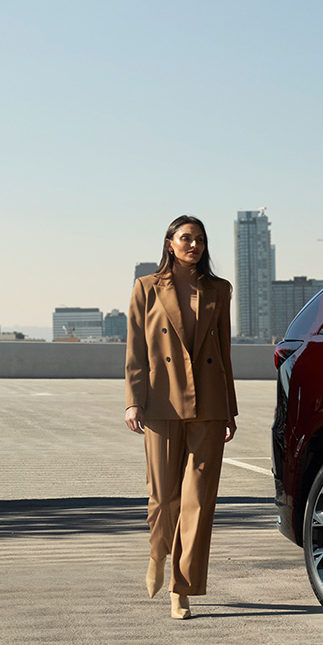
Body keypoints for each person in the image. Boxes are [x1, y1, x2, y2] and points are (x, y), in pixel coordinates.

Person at [124, 215, 238, 620]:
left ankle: (181, 588)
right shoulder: (147, 288)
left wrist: (230, 408)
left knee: (198, 501)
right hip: (161, 403)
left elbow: (224, 352)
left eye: (200, 239)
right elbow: (136, 349)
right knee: (164, 500)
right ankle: (158, 553)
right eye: (186, 238)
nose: (194, 245)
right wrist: (132, 401)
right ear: (169, 243)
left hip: (208, 405)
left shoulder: (219, 289)